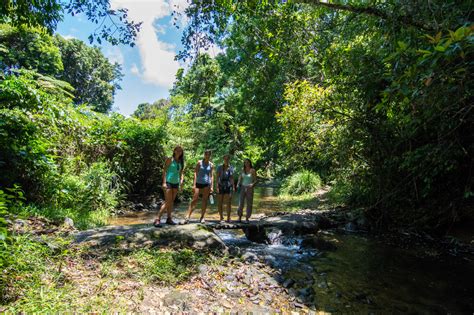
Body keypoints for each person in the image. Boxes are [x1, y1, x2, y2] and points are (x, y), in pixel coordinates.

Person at [154, 146, 184, 226]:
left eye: (180, 151)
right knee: (167, 202)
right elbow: (164, 171)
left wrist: (181, 181)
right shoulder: (170, 159)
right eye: (177, 150)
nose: (179, 152)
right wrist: (164, 182)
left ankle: (169, 219)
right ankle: (157, 219)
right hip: (168, 182)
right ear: (174, 151)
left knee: (171, 202)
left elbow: (181, 173)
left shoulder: (180, 161)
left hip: (176, 183)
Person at [185, 150, 214, 223]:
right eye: (206, 154)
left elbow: (211, 176)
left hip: (206, 184)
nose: (207, 156)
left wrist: (212, 186)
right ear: (204, 155)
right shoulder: (199, 162)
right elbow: (195, 173)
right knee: (194, 200)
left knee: (204, 201)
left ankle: (202, 217)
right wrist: (194, 184)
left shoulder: (211, 165)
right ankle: (188, 216)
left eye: (209, 155)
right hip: (198, 183)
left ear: (210, 156)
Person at [216, 154, 235, 223]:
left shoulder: (231, 167)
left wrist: (233, 187)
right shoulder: (219, 167)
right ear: (223, 159)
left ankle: (228, 218)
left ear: (229, 159)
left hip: (228, 186)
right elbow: (217, 177)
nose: (226, 160)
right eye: (225, 159)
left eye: (227, 159)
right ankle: (221, 217)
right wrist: (217, 186)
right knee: (220, 202)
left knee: (228, 203)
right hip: (221, 185)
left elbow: (232, 178)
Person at [237, 158, 257, 223]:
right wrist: (237, 184)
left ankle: (247, 218)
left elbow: (255, 180)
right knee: (241, 203)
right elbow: (240, 178)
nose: (246, 164)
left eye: (247, 162)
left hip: (249, 188)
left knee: (249, 204)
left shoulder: (252, 170)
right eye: (245, 162)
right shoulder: (242, 170)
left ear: (250, 163)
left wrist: (252, 184)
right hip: (242, 187)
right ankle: (239, 217)